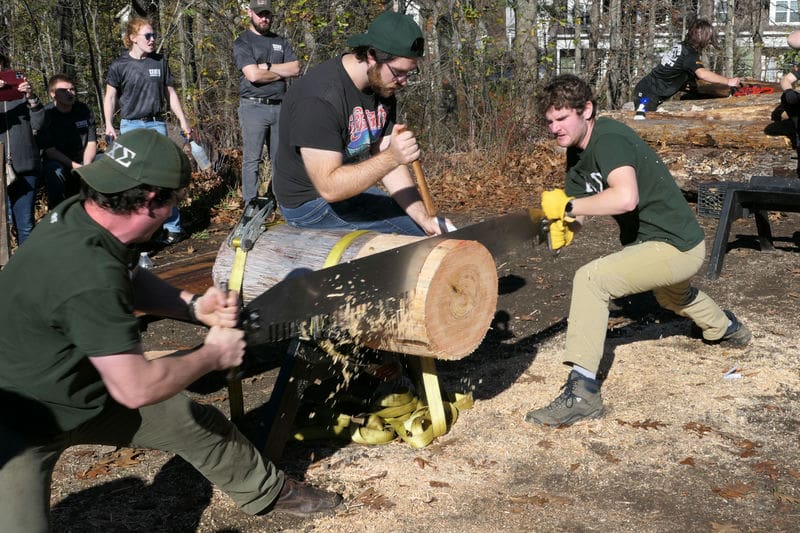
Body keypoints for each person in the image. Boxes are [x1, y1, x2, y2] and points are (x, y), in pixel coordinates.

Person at [0, 129, 342, 529]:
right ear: (150, 201)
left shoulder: (89, 213)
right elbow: (136, 387)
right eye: (175, 201)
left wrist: (194, 307)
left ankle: (266, 490)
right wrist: (212, 355)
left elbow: (128, 277)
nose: (175, 209)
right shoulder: (85, 272)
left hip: (82, 388)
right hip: (18, 419)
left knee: (192, 421)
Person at [524, 74, 751, 427]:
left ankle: (583, 393)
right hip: (657, 245)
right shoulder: (577, 155)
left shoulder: (609, 138)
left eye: (562, 118)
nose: (554, 127)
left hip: (675, 244)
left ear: (587, 110)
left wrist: (567, 207)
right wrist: (565, 227)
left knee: (591, 280)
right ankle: (726, 328)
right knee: (673, 298)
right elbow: (583, 206)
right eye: (550, 121)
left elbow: (625, 198)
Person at [273, 10, 450, 236]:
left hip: (346, 190)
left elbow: (388, 159)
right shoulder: (319, 98)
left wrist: (423, 217)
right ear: (371, 55)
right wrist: (392, 157)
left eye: (409, 74)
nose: (404, 82)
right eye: (399, 73)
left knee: (422, 227)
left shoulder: (382, 85)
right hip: (309, 204)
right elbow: (329, 188)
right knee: (413, 240)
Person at [103, 17, 191, 245]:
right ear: (133, 38)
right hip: (130, 126)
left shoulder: (159, 62)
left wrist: (183, 121)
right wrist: (109, 125)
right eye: (148, 36)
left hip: (156, 124)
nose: (153, 40)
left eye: (154, 36)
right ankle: (139, 231)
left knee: (163, 177)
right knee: (134, 180)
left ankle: (172, 227)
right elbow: (110, 96)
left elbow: (170, 94)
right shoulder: (119, 65)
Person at [234, 0, 300, 204]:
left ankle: (281, 200)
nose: (264, 18)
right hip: (253, 106)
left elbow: (296, 68)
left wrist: (268, 66)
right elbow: (253, 76)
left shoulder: (280, 41)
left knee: (280, 159)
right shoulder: (242, 42)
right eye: (260, 14)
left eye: (268, 14)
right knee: (252, 159)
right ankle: (250, 202)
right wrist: (280, 72)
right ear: (250, 13)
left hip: (280, 107)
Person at [632, 18, 740, 119]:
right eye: (708, 38)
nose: (709, 42)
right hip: (647, 93)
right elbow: (702, 74)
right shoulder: (689, 54)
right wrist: (728, 81)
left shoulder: (683, 46)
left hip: (651, 90)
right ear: (701, 37)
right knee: (643, 123)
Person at [0, 52, 44, 245]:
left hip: (25, 167)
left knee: (25, 224)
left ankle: (27, 269)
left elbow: (39, 123)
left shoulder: (21, 97)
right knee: (3, 225)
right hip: (0, 171)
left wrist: (31, 98)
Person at [37, 74, 98, 209]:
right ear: (53, 94)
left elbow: (91, 142)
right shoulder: (46, 114)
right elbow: (50, 151)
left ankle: (102, 207)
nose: (70, 93)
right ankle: (58, 212)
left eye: (72, 89)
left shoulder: (83, 110)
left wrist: (86, 167)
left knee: (106, 161)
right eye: (64, 91)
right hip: (58, 161)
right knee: (54, 171)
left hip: (84, 159)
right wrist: (76, 167)